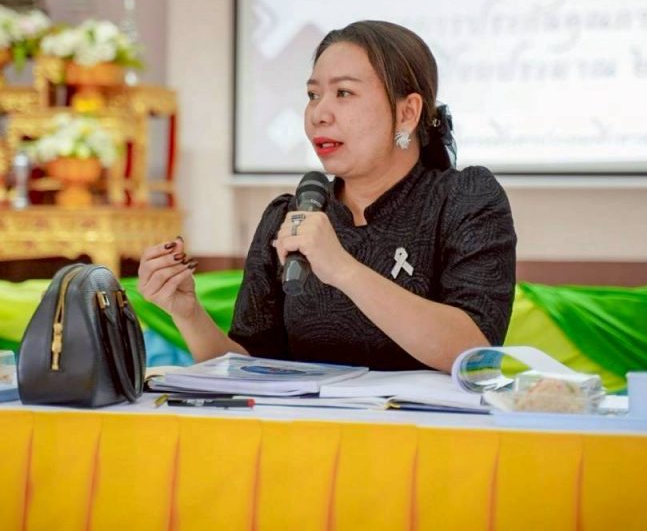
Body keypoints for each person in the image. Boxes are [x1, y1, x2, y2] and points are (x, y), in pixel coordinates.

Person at [138, 20, 516, 372]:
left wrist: (342, 269)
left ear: (407, 112)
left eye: (344, 93)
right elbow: (248, 369)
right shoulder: (290, 217)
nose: (319, 113)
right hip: (309, 423)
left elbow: (475, 354)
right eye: (313, 94)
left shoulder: (464, 199)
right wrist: (188, 313)